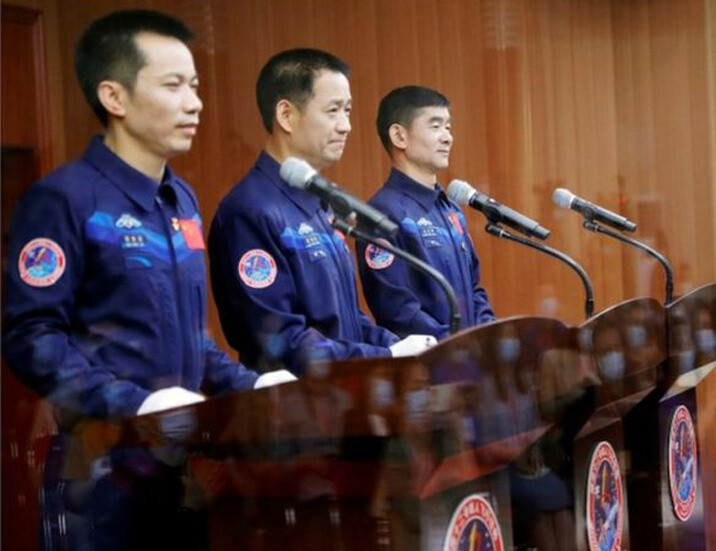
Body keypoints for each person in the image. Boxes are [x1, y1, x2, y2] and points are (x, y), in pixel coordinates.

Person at [1, 10, 292, 549]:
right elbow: (31, 336)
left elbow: (188, 338)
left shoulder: (181, 201)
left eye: (195, 86)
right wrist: (129, 402)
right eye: (173, 85)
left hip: (178, 472)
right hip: (101, 476)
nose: (194, 102)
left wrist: (250, 385)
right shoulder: (64, 199)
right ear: (114, 97)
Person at [208, 50, 435, 376]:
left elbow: (347, 320)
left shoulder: (320, 201)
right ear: (286, 115)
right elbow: (280, 341)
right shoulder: (250, 210)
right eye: (333, 111)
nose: (346, 126)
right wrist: (384, 355)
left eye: (348, 110)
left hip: (345, 393)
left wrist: (400, 347)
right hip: (295, 402)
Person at [357, 85, 495, 339]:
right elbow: (398, 311)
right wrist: (457, 346)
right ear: (399, 136)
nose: (448, 137)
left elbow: (475, 289)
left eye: (448, 127)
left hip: (469, 356)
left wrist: (488, 336)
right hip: (431, 359)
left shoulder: (451, 209)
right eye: (435, 126)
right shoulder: (380, 213)